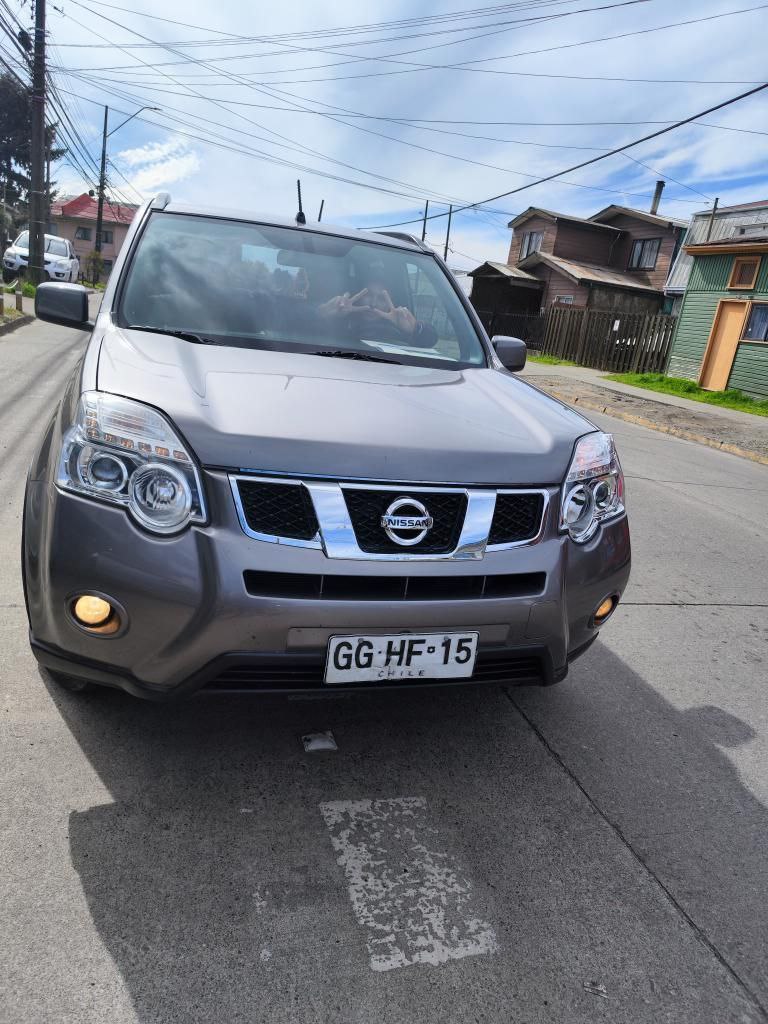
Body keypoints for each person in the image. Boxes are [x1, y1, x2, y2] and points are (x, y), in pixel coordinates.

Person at [318, 286, 438, 347]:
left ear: (390, 302)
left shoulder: (398, 335)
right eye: (369, 295)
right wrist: (323, 314)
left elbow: (430, 341)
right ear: (359, 296)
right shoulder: (339, 319)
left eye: (381, 298)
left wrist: (414, 330)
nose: (373, 304)